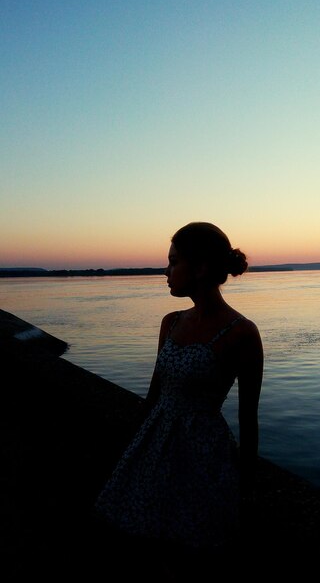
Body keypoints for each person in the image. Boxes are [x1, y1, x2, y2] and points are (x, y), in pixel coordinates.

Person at [94, 221, 263, 553]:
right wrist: (131, 444)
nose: (166, 271)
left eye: (173, 262)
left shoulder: (242, 333)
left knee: (189, 548)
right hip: (154, 445)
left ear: (200, 268)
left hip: (203, 455)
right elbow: (155, 393)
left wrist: (247, 486)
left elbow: (248, 418)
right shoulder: (171, 322)